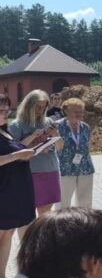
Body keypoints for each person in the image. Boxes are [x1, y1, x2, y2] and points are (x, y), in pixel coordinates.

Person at [0, 93, 35, 278]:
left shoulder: (6, 132)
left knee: (7, 236)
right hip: (3, 192)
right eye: (1, 111)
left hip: (13, 192)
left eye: (7, 110)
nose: (6, 114)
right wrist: (16, 156)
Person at [9, 90, 63, 220]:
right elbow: (13, 150)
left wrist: (56, 136)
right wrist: (33, 138)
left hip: (50, 169)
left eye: (44, 107)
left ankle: (42, 239)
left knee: (46, 216)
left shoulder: (49, 121)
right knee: (27, 216)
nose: (41, 110)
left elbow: (60, 147)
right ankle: (28, 240)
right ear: (29, 105)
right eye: (38, 107)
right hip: (30, 172)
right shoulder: (17, 125)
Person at [56, 97, 95, 208]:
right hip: (65, 168)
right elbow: (57, 147)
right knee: (63, 202)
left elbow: (86, 146)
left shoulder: (85, 127)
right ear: (66, 112)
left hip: (85, 167)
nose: (79, 114)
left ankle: (84, 224)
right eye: (76, 111)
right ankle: (61, 225)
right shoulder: (57, 126)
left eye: (81, 111)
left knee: (85, 202)